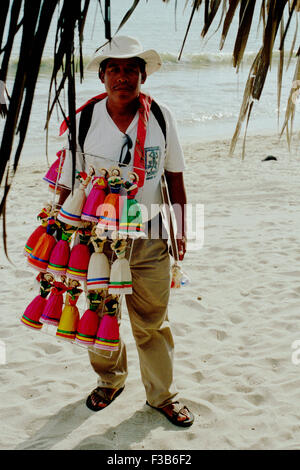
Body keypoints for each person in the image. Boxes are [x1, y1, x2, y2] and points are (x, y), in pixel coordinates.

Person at [57, 36, 193, 427]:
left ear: (142, 75)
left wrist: (181, 229)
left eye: (130, 68)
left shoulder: (162, 117)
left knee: (152, 320)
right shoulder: (83, 119)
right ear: (102, 76)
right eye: (114, 69)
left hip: (149, 235)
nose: (122, 76)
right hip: (95, 240)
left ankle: (161, 395)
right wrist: (62, 240)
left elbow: (175, 178)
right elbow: (67, 184)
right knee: (101, 314)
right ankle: (110, 380)